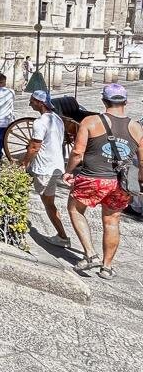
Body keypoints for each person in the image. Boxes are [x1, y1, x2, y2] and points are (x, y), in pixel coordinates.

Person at [65, 84, 143, 279]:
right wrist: (140, 180)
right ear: (126, 102)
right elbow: (142, 162)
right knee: (112, 221)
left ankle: (90, 254)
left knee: (75, 209)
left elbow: (77, 152)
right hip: (120, 183)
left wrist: (68, 171)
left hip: (92, 178)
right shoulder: (136, 128)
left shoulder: (90, 122)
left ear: (103, 101)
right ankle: (107, 267)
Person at [20, 90, 71, 248]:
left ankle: (62, 236)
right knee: (48, 201)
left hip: (44, 168)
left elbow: (34, 147)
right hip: (56, 165)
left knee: (48, 203)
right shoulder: (57, 118)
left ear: (40, 103)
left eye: (32, 101)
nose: (30, 103)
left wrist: (24, 163)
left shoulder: (40, 122)